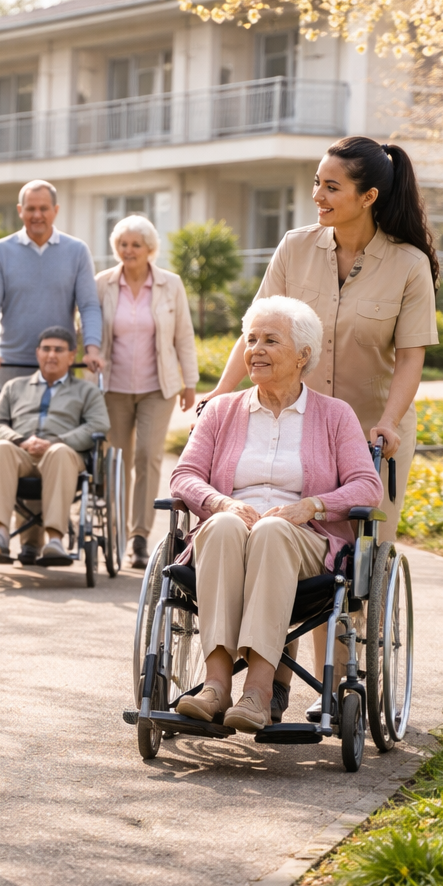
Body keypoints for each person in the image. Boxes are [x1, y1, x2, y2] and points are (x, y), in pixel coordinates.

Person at [198, 136, 438, 720]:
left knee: (347, 565)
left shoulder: (407, 265)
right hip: (284, 412)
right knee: (270, 533)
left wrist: (387, 421)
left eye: (331, 186)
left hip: (365, 434)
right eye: (316, 183)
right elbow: (255, 329)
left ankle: (334, 685)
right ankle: (268, 682)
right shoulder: (295, 248)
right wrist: (222, 396)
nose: (317, 196)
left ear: (369, 196)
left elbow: (410, 357)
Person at [169, 297, 383, 732]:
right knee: (227, 525)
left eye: (271, 340)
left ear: (304, 354)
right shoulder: (222, 411)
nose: (256, 349)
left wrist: (313, 506)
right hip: (227, 533)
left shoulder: (335, 415)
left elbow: (367, 485)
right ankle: (215, 687)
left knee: (272, 531)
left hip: (303, 539)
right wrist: (221, 502)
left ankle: (259, 692)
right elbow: (184, 475)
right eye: (251, 340)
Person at [95, 215, 199, 569]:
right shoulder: (103, 285)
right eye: (123, 244)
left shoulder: (170, 285)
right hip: (113, 387)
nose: (129, 250)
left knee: (149, 456)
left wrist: (190, 382)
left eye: (136, 245)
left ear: (150, 249)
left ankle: (139, 536)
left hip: (159, 386)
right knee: (117, 461)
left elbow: (183, 335)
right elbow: (90, 332)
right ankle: (116, 532)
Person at [0, 327, 110, 561]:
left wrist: (56, 441)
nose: (51, 355)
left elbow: (98, 425)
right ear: (37, 353)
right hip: (20, 454)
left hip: (64, 455)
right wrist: (21, 441)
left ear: (72, 355)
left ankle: (55, 540)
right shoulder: (14, 387)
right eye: (46, 349)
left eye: (59, 350)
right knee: (0, 448)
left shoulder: (86, 390)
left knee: (58, 452)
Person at [0, 180, 104, 380]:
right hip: (13, 362)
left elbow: (88, 306)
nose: (37, 215)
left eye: (44, 208)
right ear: (20, 210)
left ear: (55, 210)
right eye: (31, 209)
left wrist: (92, 350)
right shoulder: (1, 251)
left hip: (60, 362)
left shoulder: (77, 251)